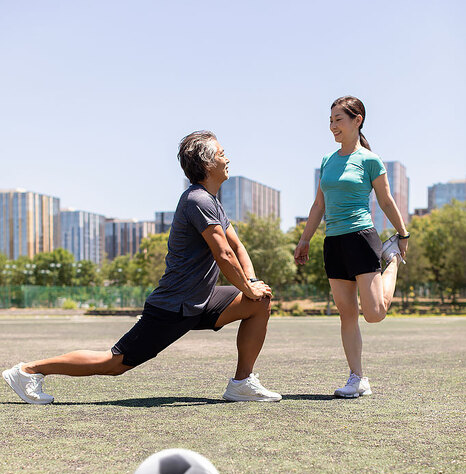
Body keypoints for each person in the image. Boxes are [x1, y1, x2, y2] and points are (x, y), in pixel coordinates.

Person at [3, 131, 281, 404]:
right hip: (174, 306)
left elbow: (237, 247)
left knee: (259, 302)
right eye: (222, 154)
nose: (227, 158)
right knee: (114, 363)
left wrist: (253, 284)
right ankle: (28, 371)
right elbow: (223, 255)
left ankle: (242, 383)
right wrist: (246, 286)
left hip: (200, 300)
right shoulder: (197, 200)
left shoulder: (212, 202)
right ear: (208, 164)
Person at [294, 96, 409, 398]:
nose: (333, 126)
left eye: (339, 119)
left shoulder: (370, 160)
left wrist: (402, 233)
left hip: (361, 237)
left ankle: (392, 258)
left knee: (375, 313)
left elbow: (385, 200)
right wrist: (305, 238)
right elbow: (319, 204)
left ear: (357, 120)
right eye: (330, 120)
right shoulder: (327, 161)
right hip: (334, 243)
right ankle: (357, 378)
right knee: (347, 315)